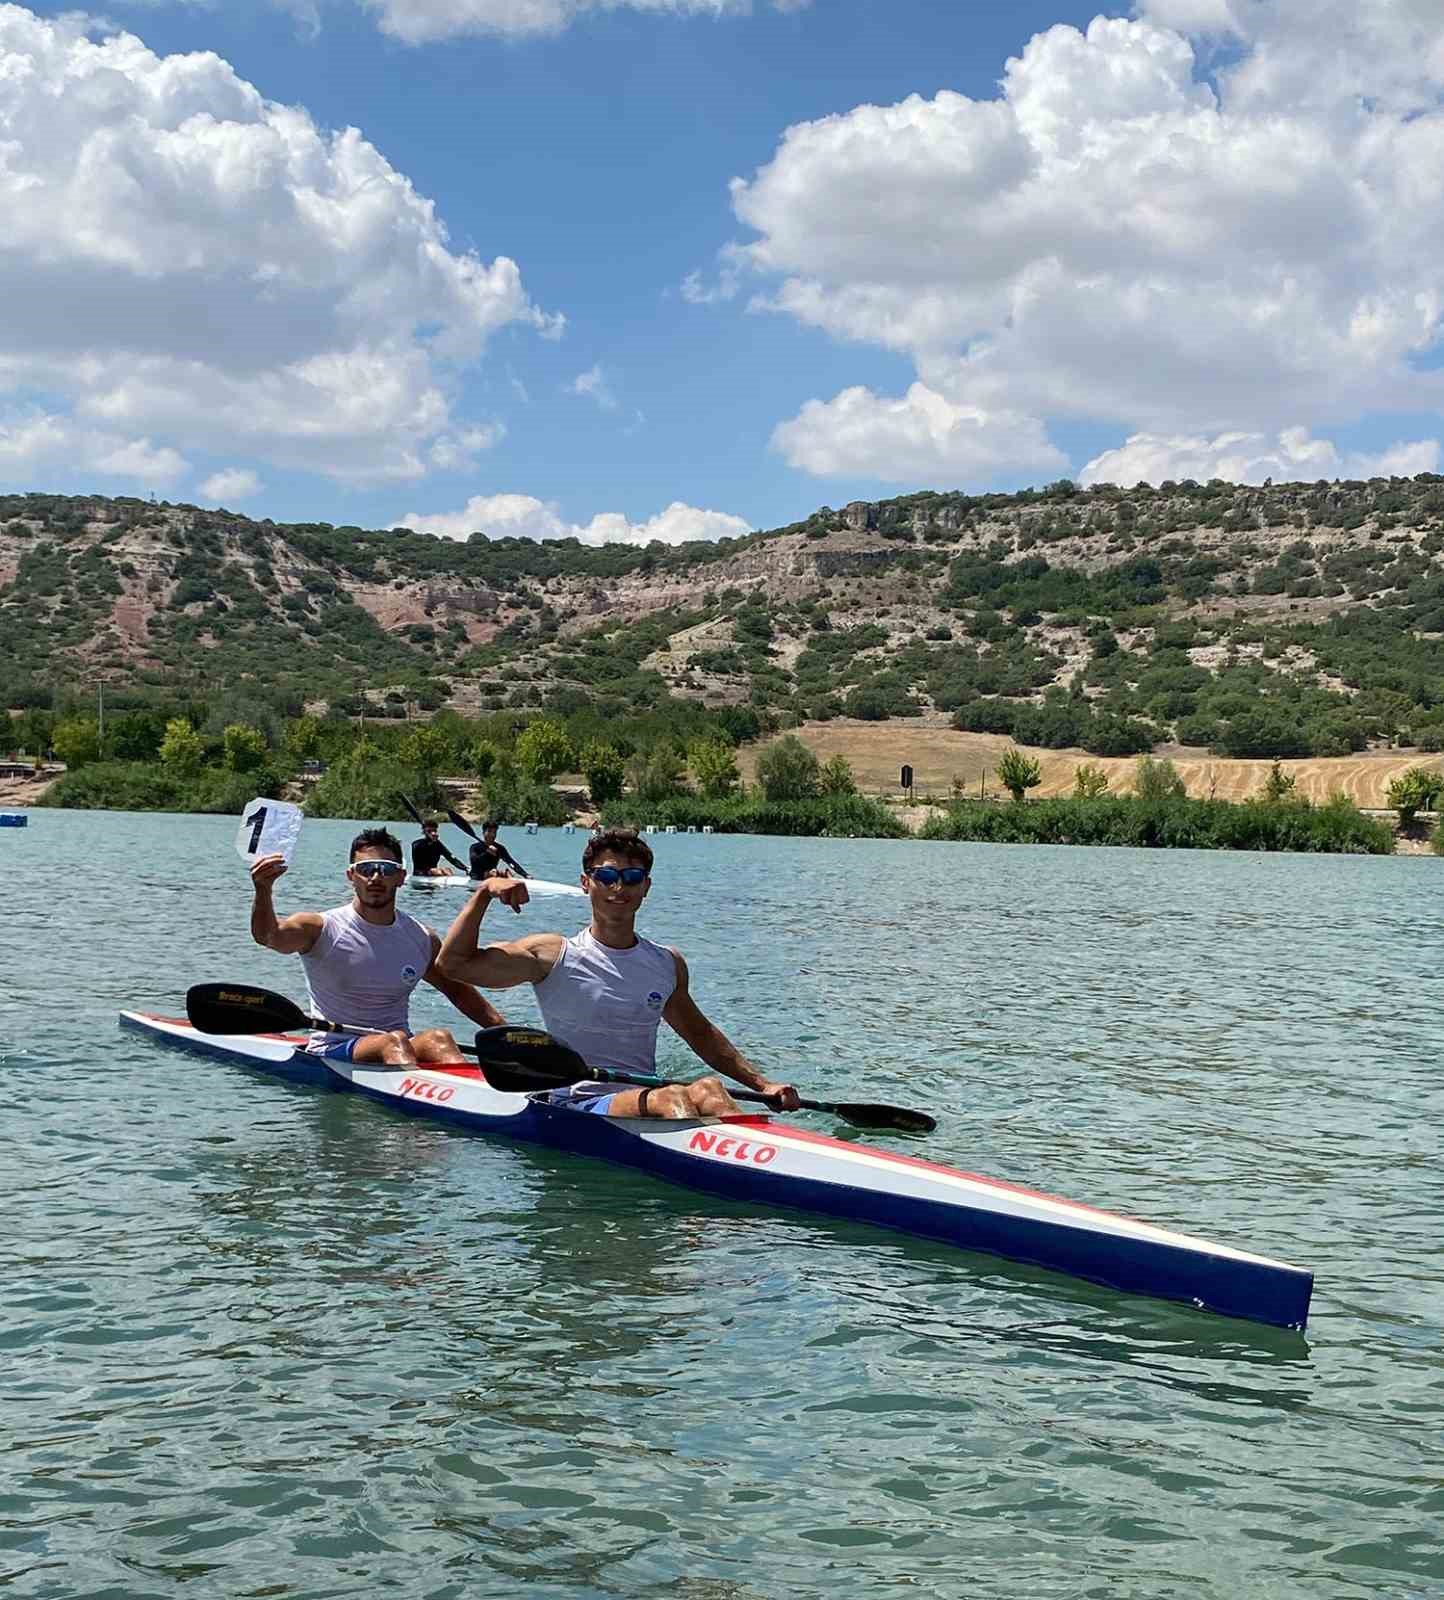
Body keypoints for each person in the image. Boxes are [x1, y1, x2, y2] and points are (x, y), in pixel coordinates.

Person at [437, 827, 799, 1119]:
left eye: (631, 877)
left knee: (710, 1089)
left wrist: (761, 1085)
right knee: (672, 1097)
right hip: (574, 1104)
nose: (618, 887)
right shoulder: (550, 954)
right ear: (585, 883)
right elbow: (452, 964)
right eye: (606, 875)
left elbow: (701, 1034)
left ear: (646, 886)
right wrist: (483, 893)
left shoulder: (666, 962)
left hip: (644, 1099)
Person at [250, 825, 507, 1067]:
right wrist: (263, 889)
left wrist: (508, 1038)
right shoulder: (319, 928)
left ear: (401, 877)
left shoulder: (421, 938)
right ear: (351, 875)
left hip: (399, 1044)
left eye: (385, 869)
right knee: (393, 1042)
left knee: (439, 1039)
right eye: (366, 868)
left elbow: (460, 993)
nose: (375, 877)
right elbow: (268, 936)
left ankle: (468, 1100)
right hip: (334, 1046)